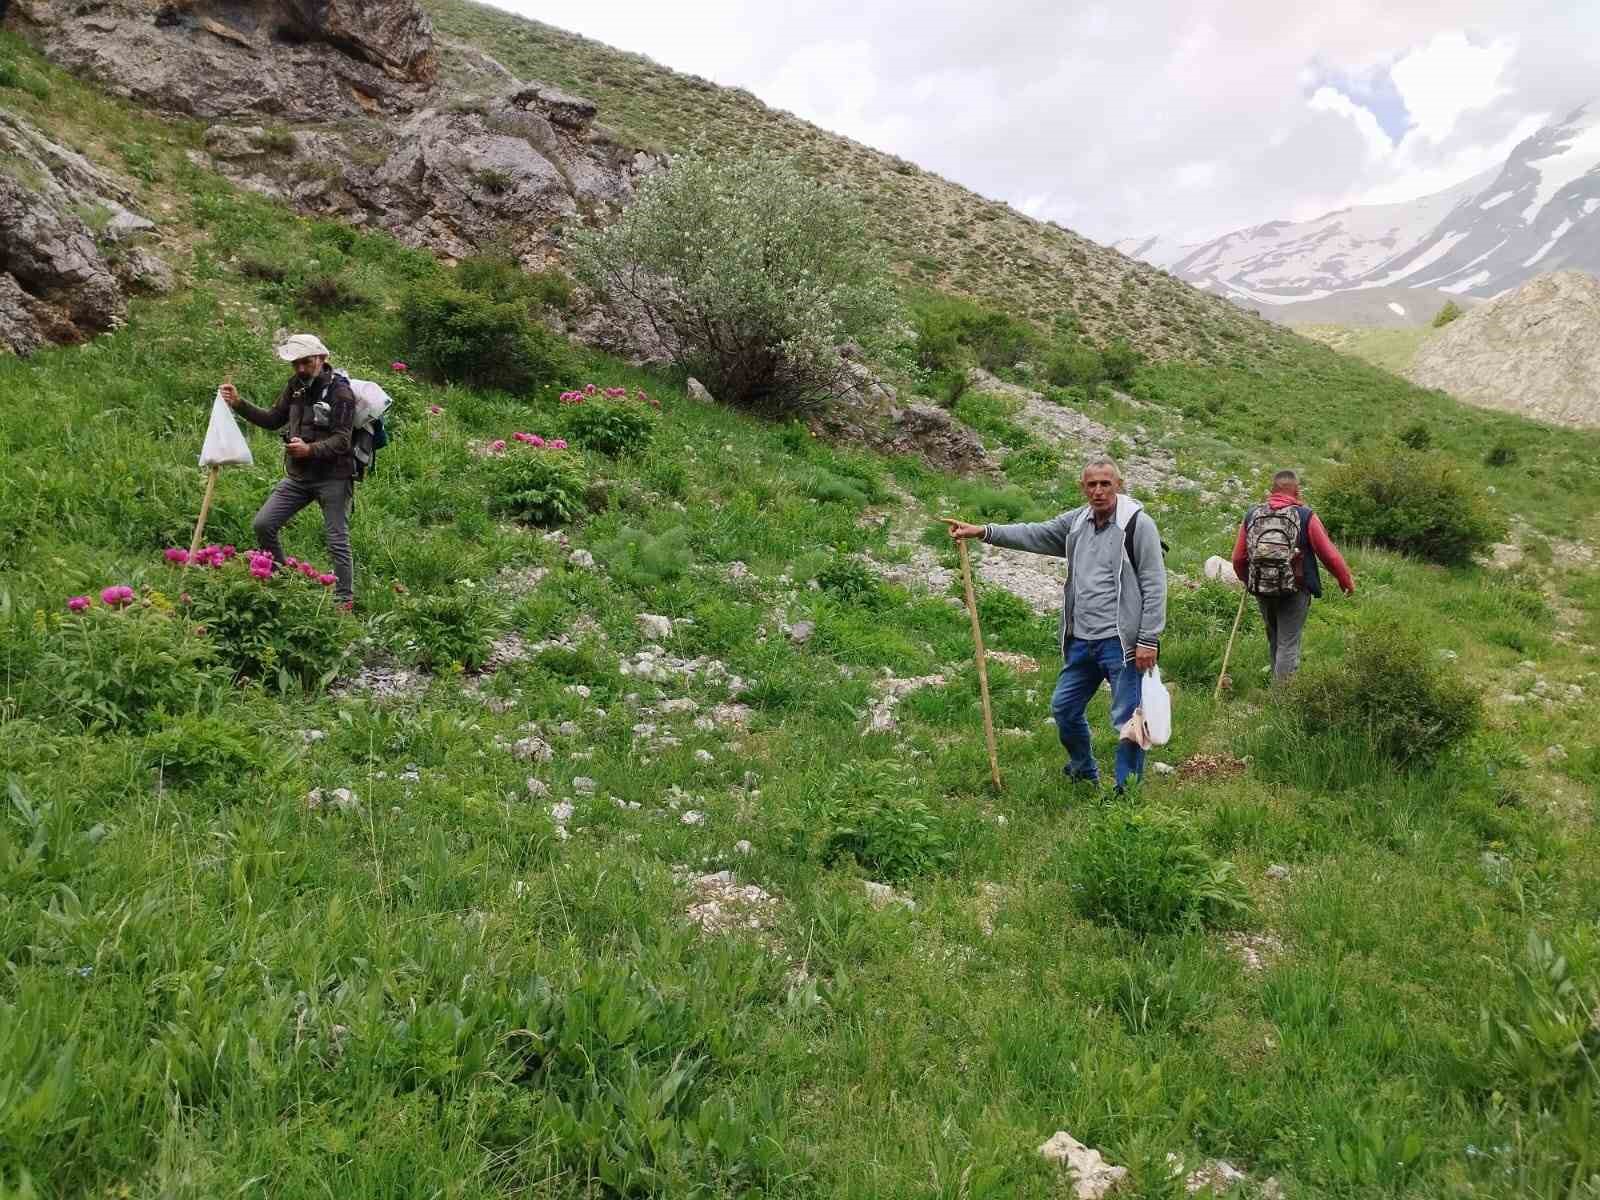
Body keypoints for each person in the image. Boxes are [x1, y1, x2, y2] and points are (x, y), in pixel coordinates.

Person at [946, 458, 1167, 791]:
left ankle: (1127, 793)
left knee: (1129, 720)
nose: (1098, 491)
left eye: (1105, 484)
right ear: (1083, 488)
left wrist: (1148, 639)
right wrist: (984, 532)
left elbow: (1154, 582)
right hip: (1081, 639)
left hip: (1122, 642)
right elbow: (1035, 533)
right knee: (1064, 709)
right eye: (1091, 484)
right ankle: (1083, 772)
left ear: (1118, 485)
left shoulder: (1138, 525)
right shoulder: (1077, 522)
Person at [221, 333, 358, 607]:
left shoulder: (341, 393)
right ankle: (282, 578)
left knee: (336, 539)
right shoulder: (295, 386)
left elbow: (343, 440)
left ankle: (344, 601)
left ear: (322, 358)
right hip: (299, 476)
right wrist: (239, 403)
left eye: (305, 362)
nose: (300, 369)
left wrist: (310, 449)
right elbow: (273, 420)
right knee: (264, 524)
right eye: (295, 363)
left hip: (334, 477)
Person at [1230, 469, 1354, 682]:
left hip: (1261, 587)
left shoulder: (1253, 514)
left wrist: (1248, 580)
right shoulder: (1305, 515)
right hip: (1294, 589)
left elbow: (1238, 558)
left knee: (1275, 638)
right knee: (1288, 643)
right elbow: (1329, 555)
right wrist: (1345, 580)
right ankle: (1284, 701)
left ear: (1272, 489)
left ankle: (1277, 691)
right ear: (1296, 490)